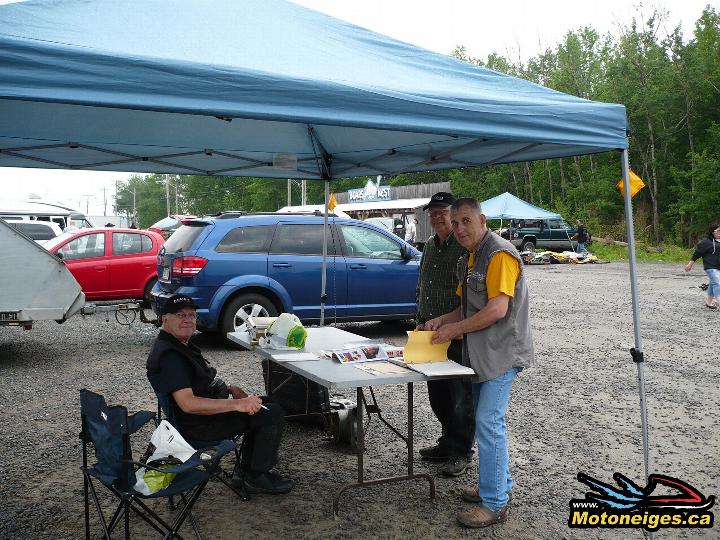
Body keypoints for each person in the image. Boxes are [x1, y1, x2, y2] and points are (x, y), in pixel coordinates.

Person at [426, 198, 534, 528]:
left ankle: (495, 503)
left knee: (488, 423)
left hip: (502, 355)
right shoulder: (469, 257)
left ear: (482, 219)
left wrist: (455, 330)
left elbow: (497, 309)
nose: (459, 228)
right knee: (487, 422)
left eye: (465, 221)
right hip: (481, 356)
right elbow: (468, 308)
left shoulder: (498, 254)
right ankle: (495, 485)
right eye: (454, 222)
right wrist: (439, 321)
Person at [146, 294, 294, 494]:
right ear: (165, 319)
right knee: (271, 413)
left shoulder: (177, 344)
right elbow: (189, 404)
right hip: (195, 427)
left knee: (265, 404)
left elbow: (199, 383)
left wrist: (231, 389)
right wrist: (236, 405)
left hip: (195, 419)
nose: (188, 320)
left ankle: (247, 470)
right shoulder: (170, 357)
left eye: (191, 315)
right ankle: (254, 476)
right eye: (180, 315)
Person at [415, 192, 475, 476]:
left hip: (456, 331)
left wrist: (459, 325)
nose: (438, 217)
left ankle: (462, 452)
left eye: (443, 212)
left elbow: (470, 295)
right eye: (433, 213)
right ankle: (446, 443)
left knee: (460, 395)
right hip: (429, 331)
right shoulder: (428, 245)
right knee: (437, 394)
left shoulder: (462, 246)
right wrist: (419, 319)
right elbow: (422, 284)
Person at [684, 223, 720, 310]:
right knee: (717, 283)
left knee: (713, 283)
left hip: (718, 267)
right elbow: (697, 253)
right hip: (710, 267)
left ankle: (709, 303)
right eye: (718, 231)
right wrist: (690, 264)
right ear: (712, 232)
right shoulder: (705, 242)